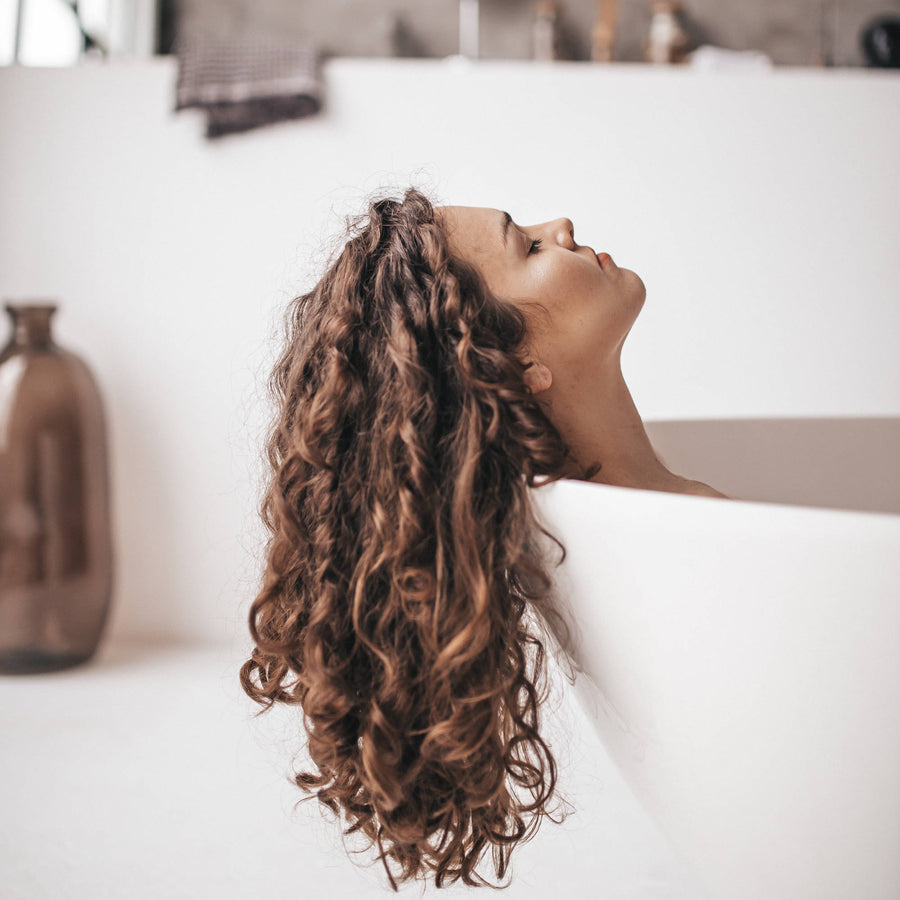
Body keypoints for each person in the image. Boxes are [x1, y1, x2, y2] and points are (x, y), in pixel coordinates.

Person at [239, 187, 729, 893]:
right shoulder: (686, 539)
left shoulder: (660, 517)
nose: (560, 225)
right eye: (528, 247)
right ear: (517, 365)